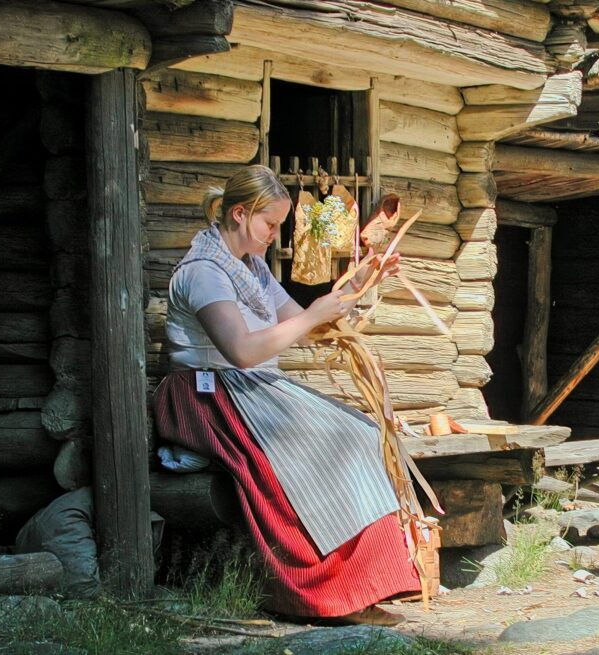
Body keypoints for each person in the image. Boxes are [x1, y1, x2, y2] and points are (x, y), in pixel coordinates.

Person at [152, 165, 418, 625]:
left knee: (360, 432)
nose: (275, 235)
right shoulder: (204, 271)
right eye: (270, 223)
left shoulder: (251, 268)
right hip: (209, 396)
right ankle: (326, 593)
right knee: (322, 452)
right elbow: (241, 351)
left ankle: (365, 584)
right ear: (239, 214)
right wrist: (312, 314)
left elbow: (307, 324)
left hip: (247, 391)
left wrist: (362, 282)